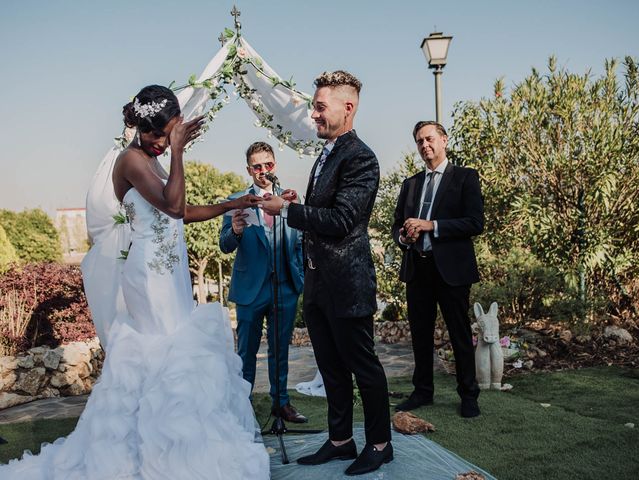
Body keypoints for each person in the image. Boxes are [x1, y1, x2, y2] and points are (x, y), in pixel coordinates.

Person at [0, 85, 270, 479]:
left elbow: (180, 213)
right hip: (148, 276)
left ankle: (177, 446)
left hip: (171, 270)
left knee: (173, 359)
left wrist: (232, 204)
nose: (163, 142)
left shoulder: (153, 160)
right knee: (163, 356)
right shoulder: (131, 160)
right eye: (158, 135)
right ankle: (152, 457)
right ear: (140, 129)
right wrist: (177, 151)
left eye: (170, 132)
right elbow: (174, 205)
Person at [261, 70, 392, 476]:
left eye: (320, 107)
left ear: (347, 107)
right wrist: (298, 202)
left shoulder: (361, 157)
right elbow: (325, 207)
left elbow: (342, 218)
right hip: (317, 282)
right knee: (331, 368)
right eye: (313, 107)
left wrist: (287, 211)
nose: (313, 115)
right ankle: (340, 441)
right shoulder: (328, 152)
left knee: (362, 366)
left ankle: (380, 444)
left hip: (347, 282)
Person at [392, 120, 484, 418]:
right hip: (418, 268)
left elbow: (475, 223)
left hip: (452, 270)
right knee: (419, 334)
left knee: (459, 333)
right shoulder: (411, 184)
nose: (424, 145)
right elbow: (396, 227)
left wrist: (431, 226)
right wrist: (404, 236)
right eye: (419, 141)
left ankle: (469, 395)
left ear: (443, 140)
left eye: (429, 139)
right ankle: (423, 392)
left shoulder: (465, 178)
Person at [219, 141, 307, 424]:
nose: (263, 170)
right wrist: (234, 229)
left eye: (268, 165)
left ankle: (281, 403)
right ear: (249, 170)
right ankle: (242, 408)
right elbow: (225, 245)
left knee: (281, 351)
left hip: (285, 287)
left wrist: (299, 279)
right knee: (246, 352)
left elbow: (301, 242)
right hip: (250, 290)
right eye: (257, 166)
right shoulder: (237, 200)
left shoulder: (290, 199)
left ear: (274, 166)